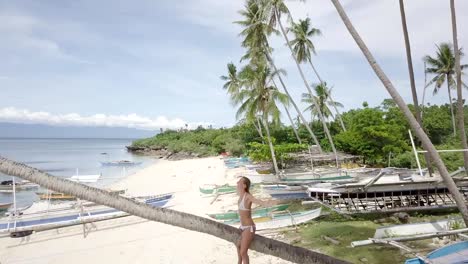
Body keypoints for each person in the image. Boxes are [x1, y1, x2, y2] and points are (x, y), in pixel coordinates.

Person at [236, 176, 277, 264]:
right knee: (238, 247)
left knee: (243, 252)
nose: (237, 183)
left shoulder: (248, 196)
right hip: (242, 227)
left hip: (249, 227)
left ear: (244, 185)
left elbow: (259, 201)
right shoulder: (240, 196)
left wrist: (268, 203)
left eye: (239, 182)